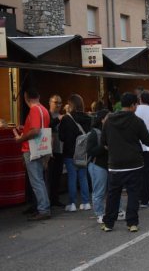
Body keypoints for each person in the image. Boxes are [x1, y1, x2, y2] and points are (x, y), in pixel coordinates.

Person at [101, 92, 149, 232]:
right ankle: (132, 223)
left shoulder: (109, 120)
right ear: (133, 105)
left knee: (113, 194)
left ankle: (108, 223)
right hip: (134, 163)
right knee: (133, 194)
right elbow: (148, 141)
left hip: (115, 164)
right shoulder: (136, 121)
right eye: (136, 104)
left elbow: (104, 142)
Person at [14, 88, 51, 221]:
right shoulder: (44, 109)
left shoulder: (35, 110)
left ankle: (43, 209)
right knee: (39, 180)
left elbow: (35, 131)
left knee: (36, 181)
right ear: (39, 96)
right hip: (40, 147)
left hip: (31, 149)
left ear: (25, 97)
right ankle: (43, 206)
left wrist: (20, 138)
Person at [59, 94, 92, 212]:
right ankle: (86, 202)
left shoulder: (66, 119)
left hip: (69, 152)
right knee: (83, 177)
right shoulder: (88, 118)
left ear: (70, 104)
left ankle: (72, 203)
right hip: (83, 152)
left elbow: (61, 137)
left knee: (72, 177)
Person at [87, 109, 110, 223]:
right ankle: (99, 213)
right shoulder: (94, 133)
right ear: (102, 120)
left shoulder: (111, 131)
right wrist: (103, 147)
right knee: (99, 191)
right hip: (97, 165)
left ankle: (117, 211)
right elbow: (90, 151)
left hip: (109, 165)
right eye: (108, 117)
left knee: (113, 190)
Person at [47, 94, 65, 207]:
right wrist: (58, 120)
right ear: (50, 102)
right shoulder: (47, 114)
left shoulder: (62, 116)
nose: (58, 105)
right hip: (49, 149)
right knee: (49, 175)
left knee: (57, 175)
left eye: (60, 103)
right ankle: (47, 199)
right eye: (55, 102)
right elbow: (47, 126)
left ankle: (55, 198)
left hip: (60, 149)